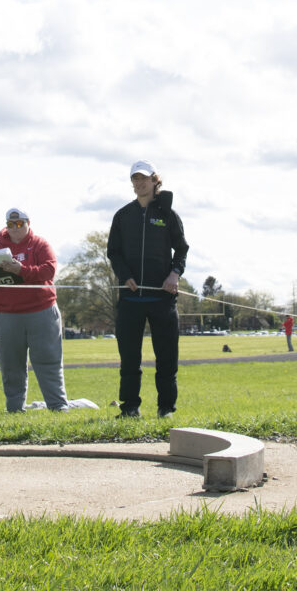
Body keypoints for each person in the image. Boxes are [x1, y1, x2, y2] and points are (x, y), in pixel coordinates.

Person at [107, 160, 189, 419]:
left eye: (143, 178)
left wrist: (174, 274)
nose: (139, 183)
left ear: (155, 180)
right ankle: (130, 408)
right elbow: (113, 252)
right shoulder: (123, 216)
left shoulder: (168, 215)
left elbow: (182, 250)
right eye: (135, 179)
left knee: (167, 359)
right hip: (131, 300)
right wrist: (125, 275)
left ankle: (166, 409)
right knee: (129, 359)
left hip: (162, 299)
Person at [0, 208, 69, 413]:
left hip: (41, 311)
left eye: (20, 224)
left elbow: (49, 270)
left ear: (28, 223)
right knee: (11, 364)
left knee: (48, 360)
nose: (15, 228)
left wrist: (21, 270)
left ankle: (58, 405)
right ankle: (15, 408)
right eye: (10, 224)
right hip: (7, 314)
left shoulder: (40, 244)